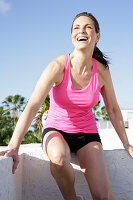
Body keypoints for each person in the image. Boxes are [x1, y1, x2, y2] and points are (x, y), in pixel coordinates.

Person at [0, 12, 133, 200]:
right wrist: (14, 145)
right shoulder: (58, 65)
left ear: (97, 36)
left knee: (103, 195)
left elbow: (112, 108)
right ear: (72, 36)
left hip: (87, 134)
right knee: (59, 158)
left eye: (88, 27)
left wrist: (126, 144)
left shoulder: (101, 70)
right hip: (56, 130)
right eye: (77, 28)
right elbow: (32, 105)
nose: (82, 31)